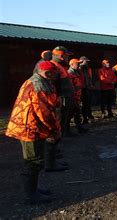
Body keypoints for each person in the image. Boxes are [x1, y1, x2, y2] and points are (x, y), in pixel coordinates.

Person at [5, 60, 60, 204]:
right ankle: (30, 194)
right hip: (29, 128)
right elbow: (44, 112)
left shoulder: (34, 80)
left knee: (35, 159)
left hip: (29, 125)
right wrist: (54, 130)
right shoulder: (39, 85)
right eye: (52, 73)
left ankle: (33, 189)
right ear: (46, 72)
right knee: (33, 160)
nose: (54, 76)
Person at [67, 58, 88, 133]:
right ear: (72, 65)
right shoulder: (69, 73)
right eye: (77, 64)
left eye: (79, 64)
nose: (79, 65)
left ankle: (79, 128)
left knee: (77, 113)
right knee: (69, 114)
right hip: (72, 97)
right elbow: (69, 87)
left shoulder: (76, 72)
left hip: (77, 96)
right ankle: (67, 130)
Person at [79, 56, 94, 124]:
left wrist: (91, 84)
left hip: (88, 88)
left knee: (88, 103)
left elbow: (89, 78)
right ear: (82, 61)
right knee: (83, 104)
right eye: (86, 61)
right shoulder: (79, 68)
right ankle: (84, 118)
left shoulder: (88, 69)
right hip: (82, 88)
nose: (87, 63)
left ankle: (89, 116)